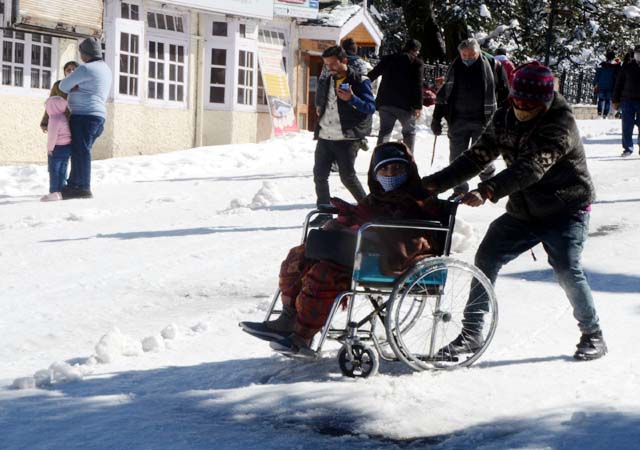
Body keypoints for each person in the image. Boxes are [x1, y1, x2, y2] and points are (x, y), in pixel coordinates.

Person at [422, 61, 607, 361]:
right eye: (517, 100)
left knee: (566, 268)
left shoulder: (561, 124)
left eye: (529, 103)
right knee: (487, 256)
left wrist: (487, 190)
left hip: (566, 208)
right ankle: (471, 332)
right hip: (525, 209)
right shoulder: (505, 115)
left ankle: (592, 333)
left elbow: (532, 168)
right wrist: (432, 185)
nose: (521, 107)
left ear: (545, 102)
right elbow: (476, 157)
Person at [240, 142, 446, 354]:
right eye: (384, 169)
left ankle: (302, 336)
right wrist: (345, 220)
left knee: (325, 273)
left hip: (393, 257)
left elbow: (420, 235)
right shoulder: (375, 197)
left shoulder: (421, 197)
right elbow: (362, 214)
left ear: (408, 170)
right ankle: (288, 318)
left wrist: (372, 230)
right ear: (375, 174)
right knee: (299, 255)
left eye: (397, 169)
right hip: (365, 250)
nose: (390, 174)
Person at [430, 38, 509, 198]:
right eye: (464, 55)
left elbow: (505, 92)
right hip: (458, 120)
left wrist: (502, 116)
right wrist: (436, 118)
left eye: (471, 54)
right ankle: (459, 190)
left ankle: (487, 186)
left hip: (483, 120)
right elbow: (444, 95)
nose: (467, 58)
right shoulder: (455, 67)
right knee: (456, 158)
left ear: (478, 51)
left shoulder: (493, 66)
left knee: (483, 156)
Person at [310, 45, 376, 225]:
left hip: (347, 137)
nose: (329, 67)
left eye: (332, 64)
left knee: (347, 177)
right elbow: (321, 98)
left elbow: (370, 108)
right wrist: (319, 107)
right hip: (325, 134)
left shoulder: (360, 80)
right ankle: (324, 211)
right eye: (326, 64)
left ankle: (369, 211)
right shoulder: (326, 79)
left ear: (344, 61)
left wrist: (352, 99)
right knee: (319, 175)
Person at [59, 37, 112, 199]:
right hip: (98, 116)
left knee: (81, 151)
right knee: (80, 150)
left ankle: (82, 187)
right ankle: (74, 184)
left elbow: (63, 86)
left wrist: (74, 86)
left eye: (81, 52)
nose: (80, 56)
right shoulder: (105, 69)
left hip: (84, 115)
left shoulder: (86, 69)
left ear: (85, 53)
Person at [367, 39, 425, 152]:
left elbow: (373, 74)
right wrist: (418, 106)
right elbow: (418, 85)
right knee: (409, 133)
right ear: (416, 50)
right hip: (406, 106)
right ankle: (408, 159)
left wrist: (360, 84)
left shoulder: (388, 58)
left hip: (386, 103)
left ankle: (379, 158)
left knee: (384, 132)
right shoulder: (416, 63)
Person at [40, 96, 73, 202]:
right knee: (63, 170)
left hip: (57, 148)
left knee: (54, 170)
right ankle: (61, 191)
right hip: (67, 147)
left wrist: (50, 149)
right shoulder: (64, 117)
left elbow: (52, 136)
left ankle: (54, 192)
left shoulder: (54, 119)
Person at [612, 44, 640, 157]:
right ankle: (628, 148)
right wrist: (615, 100)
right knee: (627, 125)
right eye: (638, 53)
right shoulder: (627, 66)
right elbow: (619, 83)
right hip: (627, 100)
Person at [40, 61, 78, 133]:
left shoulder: (82, 86)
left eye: (74, 69)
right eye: (68, 70)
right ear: (64, 72)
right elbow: (50, 105)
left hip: (77, 121)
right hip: (61, 122)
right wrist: (45, 123)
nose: (71, 71)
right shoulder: (58, 86)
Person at [593, 50, 621, 119]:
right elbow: (615, 77)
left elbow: (597, 76)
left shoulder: (601, 67)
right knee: (608, 101)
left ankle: (599, 112)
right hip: (610, 86)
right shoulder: (614, 68)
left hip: (601, 86)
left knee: (600, 99)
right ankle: (605, 114)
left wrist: (594, 84)